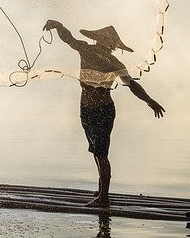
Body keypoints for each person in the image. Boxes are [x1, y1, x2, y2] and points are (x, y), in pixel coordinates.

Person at [43, 20, 165, 207]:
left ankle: (104, 197)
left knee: (101, 154)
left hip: (103, 111)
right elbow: (68, 38)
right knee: (96, 151)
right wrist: (58, 26)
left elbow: (131, 84)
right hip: (86, 109)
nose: (109, 48)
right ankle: (102, 189)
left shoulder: (112, 62)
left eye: (109, 46)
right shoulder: (87, 50)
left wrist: (150, 101)